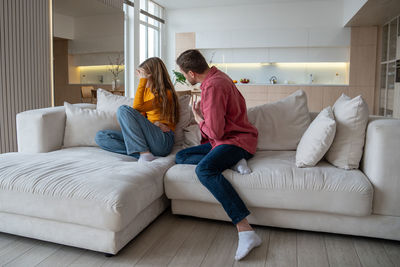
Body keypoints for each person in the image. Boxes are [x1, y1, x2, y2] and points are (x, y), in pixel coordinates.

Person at [175, 49, 261, 261]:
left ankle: (245, 230)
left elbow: (215, 132)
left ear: (192, 73)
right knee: (181, 157)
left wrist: (198, 118)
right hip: (224, 143)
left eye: (184, 74)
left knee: (204, 169)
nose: (185, 77)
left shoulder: (213, 86)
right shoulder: (218, 76)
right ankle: (232, 162)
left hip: (235, 141)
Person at [95, 57, 179, 163]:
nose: (140, 78)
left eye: (143, 75)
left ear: (152, 75)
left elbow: (137, 108)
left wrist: (142, 81)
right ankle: (144, 153)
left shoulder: (166, 94)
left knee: (123, 109)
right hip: (148, 139)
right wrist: (151, 124)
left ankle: (143, 153)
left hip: (162, 140)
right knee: (101, 137)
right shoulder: (146, 92)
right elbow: (138, 115)